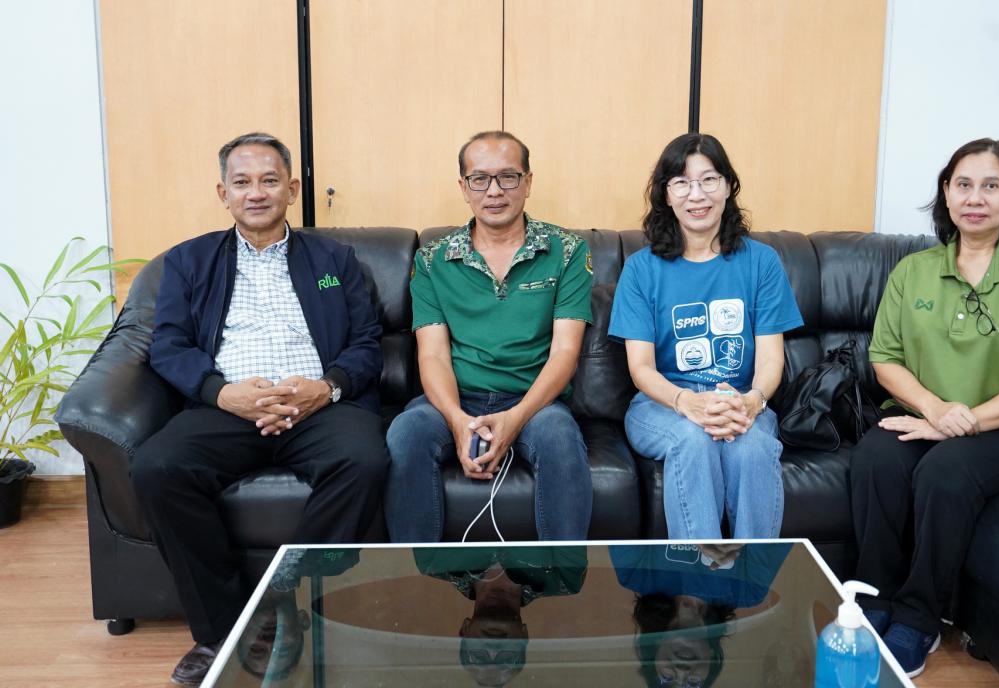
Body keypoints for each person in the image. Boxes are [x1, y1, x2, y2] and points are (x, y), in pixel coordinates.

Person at [132, 132, 388, 686]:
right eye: (242, 182)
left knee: (365, 460)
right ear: (222, 193)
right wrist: (221, 393)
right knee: (156, 467)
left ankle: (282, 600)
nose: (256, 193)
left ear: (291, 189)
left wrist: (326, 387)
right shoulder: (188, 261)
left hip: (317, 406)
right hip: (227, 406)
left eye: (269, 181)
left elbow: (367, 343)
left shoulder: (334, 260)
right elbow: (169, 346)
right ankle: (222, 631)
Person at [851, 137, 999, 677]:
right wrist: (935, 410)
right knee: (876, 458)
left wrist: (966, 422)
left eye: (991, 185)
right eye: (963, 185)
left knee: (946, 471)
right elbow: (885, 360)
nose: (975, 198)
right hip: (926, 415)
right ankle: (873, 597)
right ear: (947, 194)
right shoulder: (913, 271)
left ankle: (919, 617)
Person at [385, 131, 594, 542]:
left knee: (560, 440)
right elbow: (433, 356)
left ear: (528, 182)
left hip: (535, 401)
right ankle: (417, 577)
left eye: (508, 177)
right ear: (464, 188)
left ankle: (562, 575)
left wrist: (515, 419)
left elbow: (565, 353)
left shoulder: (568, 250)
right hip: (457, 398)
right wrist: (458, 421)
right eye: (479, 179)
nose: (494, 191)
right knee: (406, 434)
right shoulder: (433, 259)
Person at [609, 133, 804, 540]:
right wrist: (688, 403)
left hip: (739, 399)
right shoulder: (641, 269)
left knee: (753, 447)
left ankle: (755, 576)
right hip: (662, 403)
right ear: (666, 194)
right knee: (692, 439)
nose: (696, 195)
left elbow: (771, 360)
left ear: (728, 186)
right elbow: (641, 369)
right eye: (681, 182)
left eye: (708, 180)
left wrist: (751, 402)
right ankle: (699, 577)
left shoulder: (762, 262)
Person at [612, 542, 792, 688]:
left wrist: (695, 532)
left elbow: (621, 511)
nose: (682, 672)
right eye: (693, 683)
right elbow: (775, 523)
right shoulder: (747, 589)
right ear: (712, 658)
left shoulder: (635, 573)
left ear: (653, 656)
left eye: (667, 679)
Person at [415, 545, 588, 686]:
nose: (493, 649)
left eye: (480, 657)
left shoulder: (432, 562)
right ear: (524, 635)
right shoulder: (564, 579)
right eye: (506, 658)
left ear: (465, 630)